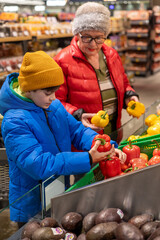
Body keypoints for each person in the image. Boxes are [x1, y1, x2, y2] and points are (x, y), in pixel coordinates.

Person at [0, 51, 126, 226]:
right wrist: (88, 158)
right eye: (47, 92)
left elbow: (77, 132)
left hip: (58, 191)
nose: (53, 97)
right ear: (29, 88)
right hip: (31, 205)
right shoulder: (14, 121)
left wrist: (104, 145)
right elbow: (38, 164)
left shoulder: (54, 105)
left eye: (55, 91)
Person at [54, 2, 139, 142]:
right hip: (83, 138)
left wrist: (129, 95)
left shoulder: (111, 55)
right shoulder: (62, 61)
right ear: (77, 33)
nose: (93, 44)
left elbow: (123, 82)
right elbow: (54, 102)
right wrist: (76, 114)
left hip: (113, 131)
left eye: (99, 37)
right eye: (87, 37)